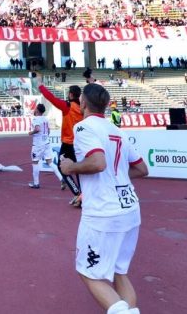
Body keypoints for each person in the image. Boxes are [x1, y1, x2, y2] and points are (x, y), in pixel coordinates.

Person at [59, 83, 148, 314]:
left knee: (88, 272)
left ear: (83, 103)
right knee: (119, 273)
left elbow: (98, 163)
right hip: (130, 209)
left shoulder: (83, 127)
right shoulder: (118, 131)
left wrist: (70, 167)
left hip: (103, 213)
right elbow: (142, 169)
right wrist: (115, 177)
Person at [38, 76, 84, 206]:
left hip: (68, 144)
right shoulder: (82, 108)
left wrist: (41, 86)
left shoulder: (67, 106)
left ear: (71, 94)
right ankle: (83, 195)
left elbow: (51, 98)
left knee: (62, 168)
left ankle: (78, 194)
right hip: (80, 143)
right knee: (79, 169)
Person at [28, 104, 62, 189]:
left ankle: (36, 183)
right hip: (46, 143)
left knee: (35, 162)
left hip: (38, 145)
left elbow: (37, 129)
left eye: (35, 108)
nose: (34, 110)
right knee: (50, 162)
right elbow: (48, 131)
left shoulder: (35, 119)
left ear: (37, 110)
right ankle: (61, 178)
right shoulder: (45, 119)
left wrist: (31, 133)